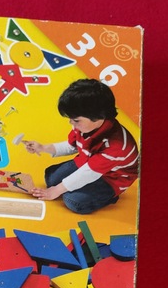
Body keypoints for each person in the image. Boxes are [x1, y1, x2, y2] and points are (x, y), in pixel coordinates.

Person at [22, 79, 139, 214]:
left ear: (99, 117)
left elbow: (88, 173)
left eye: (76, 120)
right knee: (50, 178)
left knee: (73, 201)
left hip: (112, 178)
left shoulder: (116, 146)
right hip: (89, 162)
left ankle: (109, 197)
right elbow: (72, 146)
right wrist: (43, 148)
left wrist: (56, 190)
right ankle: (77, 187)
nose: (71, 123)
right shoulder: (83, 127)